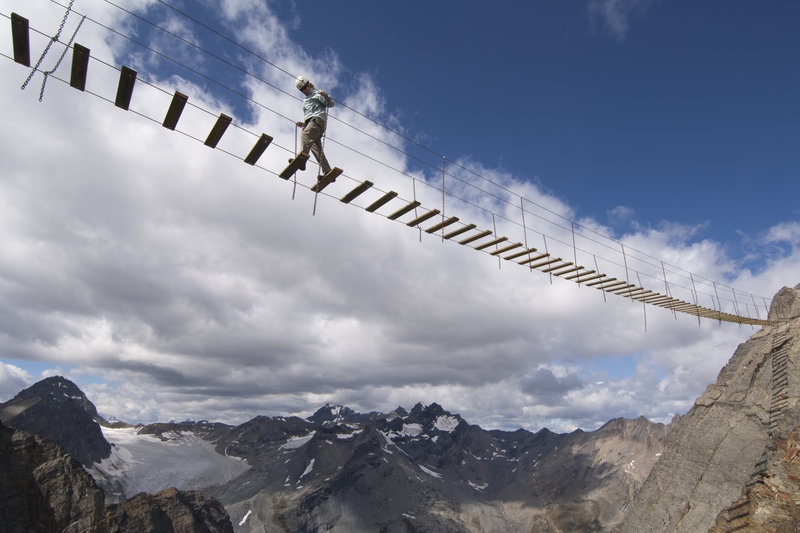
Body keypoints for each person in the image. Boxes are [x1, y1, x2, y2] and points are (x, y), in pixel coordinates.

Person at [294, 75, 334, 175]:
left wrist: (325, 95)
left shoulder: (316, 93)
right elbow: (310, 113)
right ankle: (327, 170)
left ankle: (302, 159)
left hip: (318, 121)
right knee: (315, 148)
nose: (304, 90)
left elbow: (330, 104)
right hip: (312, 122)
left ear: (308, 84)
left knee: (305, 135)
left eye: (304, 87)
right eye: (301, 90)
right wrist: (304, 123)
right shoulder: (306, 99)